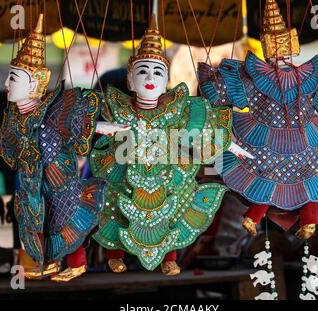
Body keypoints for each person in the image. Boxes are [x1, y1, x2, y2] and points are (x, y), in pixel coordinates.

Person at [89, 14, 252, 275]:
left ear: (167, 81)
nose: (150, 78)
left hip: (165, 173)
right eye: (142, 72)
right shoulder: (119, 109)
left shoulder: (176, 112)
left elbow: (197, 133)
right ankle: (114, 254)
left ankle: (170, 257)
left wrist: (227, 145)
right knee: (113, 206)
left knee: (175, 207)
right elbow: (92, 126)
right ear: (130, 80)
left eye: (157, 72)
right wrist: (98, 127)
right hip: (125, 170)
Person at [198, 0, 318, 239]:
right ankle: (254, 216)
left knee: (310, 176)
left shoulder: (308, 75)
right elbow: (227, 90)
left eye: (285, 50)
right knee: (266, 174)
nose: (282, 55)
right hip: (266, 139)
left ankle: (305, 221)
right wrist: (212, 80)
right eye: (277, 51)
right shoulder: (255, 76)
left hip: (305, 140)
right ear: (267, 51)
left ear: (293, 49)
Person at [0, 14, 108, 282]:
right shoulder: (15, 117)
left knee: (64, 218)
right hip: (33, 179)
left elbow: (82, 127)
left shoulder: (53, 110)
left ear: (34, 84)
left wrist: (102, 128)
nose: (6, 84)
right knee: (37, 220)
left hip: (59, 176)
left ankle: (77, 264)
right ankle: (49, 264)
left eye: (13, 79)